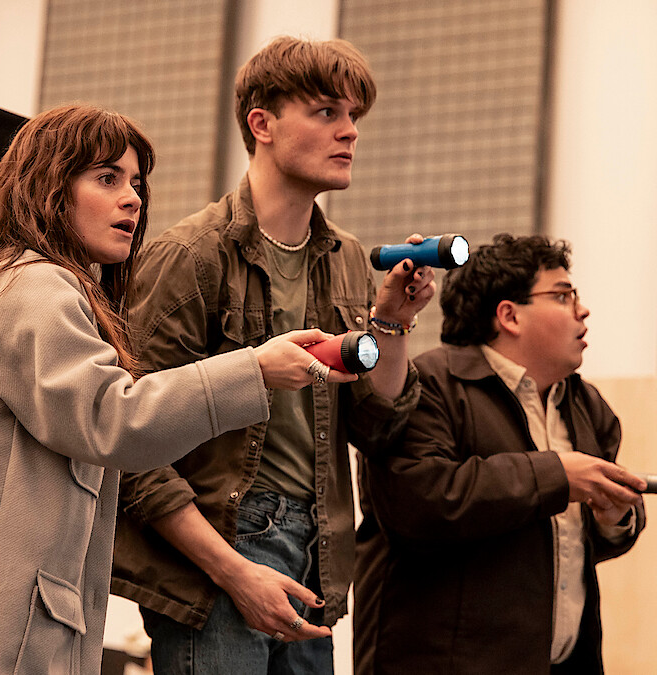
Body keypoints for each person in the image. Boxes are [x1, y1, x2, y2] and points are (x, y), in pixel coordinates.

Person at [0, 104, 347, 674]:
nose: (133, 198)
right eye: (107, 177)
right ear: (47, 189)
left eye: (135, 182)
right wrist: (255, 370)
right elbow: (113, 419)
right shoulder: (34, 288)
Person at [111, 37, 435, 674]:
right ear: (262, 123)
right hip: (219, 549)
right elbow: (132, 446)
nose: (350, 132)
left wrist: (393, 324)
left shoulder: (346, 257)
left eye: (354, 117)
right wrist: (234, 572)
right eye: (326, 112)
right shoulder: (192, 255)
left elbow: (376, 427)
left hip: (317, 547)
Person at [354, 234, 648, 675]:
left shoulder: (585, 404)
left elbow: (569, 548)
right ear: (509, 315)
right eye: (563, 296)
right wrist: (557, 475)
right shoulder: (430, 384)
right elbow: (418, 502)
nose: (582, 310)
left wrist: (616, 518)